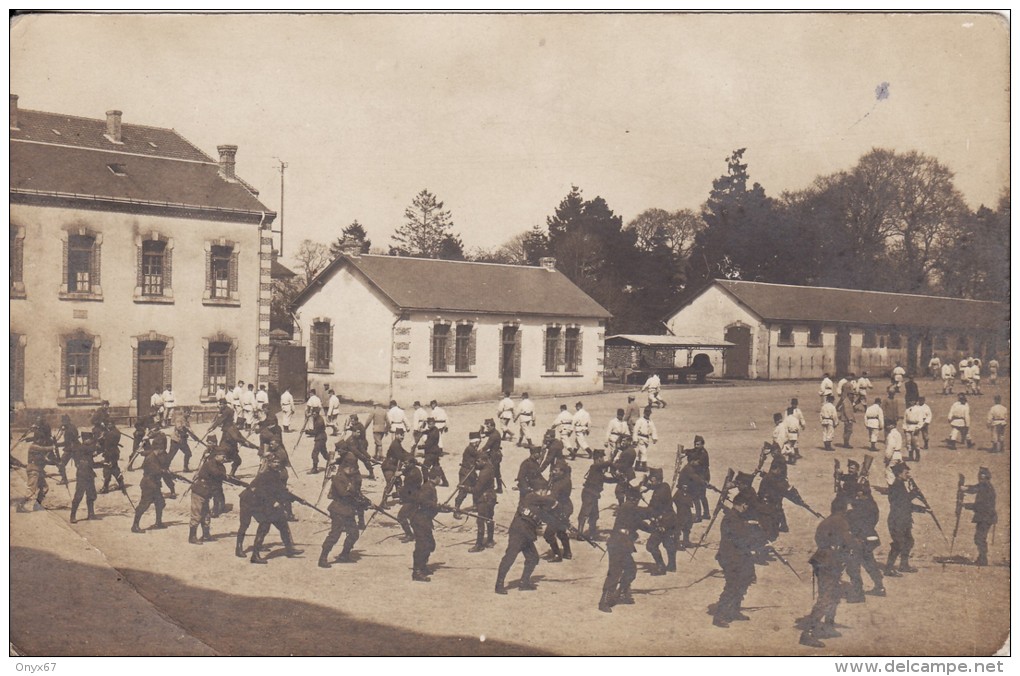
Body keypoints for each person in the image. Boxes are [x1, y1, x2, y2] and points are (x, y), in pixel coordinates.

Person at [798, 498, 856, 648]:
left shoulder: (826, 521)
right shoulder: (840, 521)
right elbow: (848, 540)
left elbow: (819, 539)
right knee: (826, 597)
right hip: (830, 562)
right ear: (842, 509)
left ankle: (826, 627)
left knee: (834, 593)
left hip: (823, 559)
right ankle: (808, 633)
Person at [711, 492, 767, 628]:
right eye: (746, 506)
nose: (747, 509)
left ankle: (734, 610)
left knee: (746, 579)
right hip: (731, 558)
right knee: (732, 585)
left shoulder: (736, 516)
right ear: (743, 505)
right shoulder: (732, 519)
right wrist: (760, 543)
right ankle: (719, 616)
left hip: (740, 556)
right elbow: (741, 538)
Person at [236, 456, 303, 564]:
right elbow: (261, 492)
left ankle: (289, 549)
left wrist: (295, 498)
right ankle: (242, 549)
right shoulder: (264, 475)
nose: (277, 464)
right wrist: (273, 502)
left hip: (261, 502)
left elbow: (280, 490)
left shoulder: (276, 474)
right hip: (249, 501)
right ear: (269, 463)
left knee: (283, 524)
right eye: (274, 462)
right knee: (249, 525)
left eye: (278, 462)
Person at [599, 482, 651, 612]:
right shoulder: (628, 507)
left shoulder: (631, 510)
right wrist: (658, 510)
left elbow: (640, 523)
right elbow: (645, 513)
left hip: (623, 545)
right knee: (615, 572)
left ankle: (622, 593)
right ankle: (604, 601)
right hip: (618, 544)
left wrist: (658, 529)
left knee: (631, 570)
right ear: (634, 499)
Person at [495, 486, 558, 595]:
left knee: (533, 558)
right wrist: (555, 502)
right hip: (518, 533)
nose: (544, 495)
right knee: (509, 558)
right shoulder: (531, 497)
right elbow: (550, 501)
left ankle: (524, 582)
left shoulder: (537, 506)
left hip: (527, 535)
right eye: (545, 492)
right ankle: (499, 584)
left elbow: (548, 517)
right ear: (540, 490)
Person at [319, 456, 369, 568]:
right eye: (352, 469)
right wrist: (360, 502)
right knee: (335, 535)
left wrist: (366, 502)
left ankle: (344, 554)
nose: (354, 471)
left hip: (348, 511)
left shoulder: (351, 478)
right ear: (348, 467)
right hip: (338, 510)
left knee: (354, 533)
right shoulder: (338, 478)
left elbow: (356, 493)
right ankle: (323, 558)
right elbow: (344, 494)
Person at [845, 481, 885, 599]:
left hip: (862, 540)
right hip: (870, 538)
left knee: (853, 565)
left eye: (857, 493)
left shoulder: (862, 507)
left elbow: (854, 518)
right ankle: (879, 586)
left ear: (861, 493)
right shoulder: (870, 503)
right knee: (869, 563)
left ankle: (857, 593)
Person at [884, 463, 926, 576]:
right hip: (897, 520)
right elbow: (904, 503)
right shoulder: (896, 486)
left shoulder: (901, 485)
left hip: (904, 520)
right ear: (899, 474)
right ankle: (888, 569)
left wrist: (924, 509)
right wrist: (914, 493)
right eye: (906, 473)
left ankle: (903, 565)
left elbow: (906, 503)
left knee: (909, 541)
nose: (908, 475)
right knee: (898, 544)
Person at [410, 466, 449, 582]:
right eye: (440, 478)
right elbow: (423, 501)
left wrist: (442, 508)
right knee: (422, 545)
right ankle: (417, 572)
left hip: (425, 520)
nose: (440, 480)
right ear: (436, 477)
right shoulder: (428, 488)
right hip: (419, 520)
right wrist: (437, 506)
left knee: (430, 544)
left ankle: (423, 566)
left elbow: (429, 504)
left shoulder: (430, 487)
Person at [189, 449, 227, 544]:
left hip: (207, 493)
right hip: (199, 491)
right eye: (223, 456)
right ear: (217, 456)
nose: (224, 459)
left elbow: (219, 481)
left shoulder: (220, 466)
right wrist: (225, 476)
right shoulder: (210, 464)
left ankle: (206, 535)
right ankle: (192, 537)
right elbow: (216, 474)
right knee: (196, 514)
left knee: (206, 514)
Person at [644, 467, 678, 575]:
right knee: (668, 543)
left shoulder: (659, 494)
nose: (650, 481)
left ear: (656, 479)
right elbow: (654, 487)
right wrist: (646, 486)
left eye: (651, 479)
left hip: (662, 522)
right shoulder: (665, 486)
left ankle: (661, 566)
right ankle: (672, 565)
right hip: (670, 520)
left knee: (651, 545)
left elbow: (651, 509)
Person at [131, 442, 171, 533]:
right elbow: (156, 470)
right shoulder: (151, 458)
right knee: (144, 505)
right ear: (159, 450)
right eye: (162, 450)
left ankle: (158, 522)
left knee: (160, 503)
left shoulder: (154, 456)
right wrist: (165, 471)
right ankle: (135, 525)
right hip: (148, 485)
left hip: (154, 484)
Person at [576, 449, 616, 541]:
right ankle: (580, 534)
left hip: (593, 495)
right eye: (602, 458)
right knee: (585, 513)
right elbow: (608, 464)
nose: (603, 459)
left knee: (594, 514)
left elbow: (606, 479)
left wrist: (617, 480)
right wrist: (614, 464)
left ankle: (592, 534)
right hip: (588, 494)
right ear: (598, 458)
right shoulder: (594, 467)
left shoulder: (598, 470)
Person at [962, 467, 997, 566]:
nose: (980, 480)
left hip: (985, 517)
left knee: (979, 538)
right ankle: (982, 558)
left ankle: (983, 559)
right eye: (979, 477)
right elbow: (974, 488)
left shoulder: (986, 488)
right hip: (984, 517)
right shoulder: (985, 485)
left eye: (982, 478)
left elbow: (979, 504)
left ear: (987, 478)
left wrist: (965, 505)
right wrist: (966, 488)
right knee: (980, 537)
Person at [543, 460, 573, 562]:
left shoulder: (560, 483)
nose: (553, 472)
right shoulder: (564, 478)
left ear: (562, 471)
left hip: (561, 509)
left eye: (556, 470)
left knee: (548, 534)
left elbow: (552, 497)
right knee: (560, 531)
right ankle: (567, 552)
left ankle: (557, 555)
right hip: (564, 507)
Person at [467, 455, 498, 552]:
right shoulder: (489, 467)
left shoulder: (484, 473)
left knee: (481, 520)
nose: (476, 463)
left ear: (484, 461)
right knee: (489, 518)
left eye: (478, 461)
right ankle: (490, 540)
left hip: (485, 499)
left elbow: (477, 489)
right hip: (491, 497)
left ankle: (479, 545)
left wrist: (465, 488)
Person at [454, 432, 483, 514]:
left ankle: (475, 505)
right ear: (475, 442)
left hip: (471, 472)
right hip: (465, 473)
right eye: (478, 442)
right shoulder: (470, 449)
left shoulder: (472, 448)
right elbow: (478, 455)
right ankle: (456, 509)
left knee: (476, 489)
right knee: (463, 491)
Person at [478, 418, 505, 494]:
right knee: (497, 472)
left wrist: (479, 451)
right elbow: (486, 433)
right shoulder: (495, 432)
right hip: (496, 455)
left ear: (492, 426)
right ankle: (499, 488)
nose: (487, 428)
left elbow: (486, 446)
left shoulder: (494, 435)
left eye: (488, 427)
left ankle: (492, 488)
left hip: (494, 456)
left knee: (492, 472)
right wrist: (482, 430)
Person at [418, 417, 446, 487]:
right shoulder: (434, 429)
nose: (429, 425)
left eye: (431, 424)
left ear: (434, 423)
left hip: (431, 453)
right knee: (437, 467)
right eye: (429, 424)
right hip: (435, 452)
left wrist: (420, 447)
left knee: (424, 467)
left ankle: (425, 483)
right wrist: (422, 431)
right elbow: (427, 431)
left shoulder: (434, 432)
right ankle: (445, 482)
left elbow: (428, 444)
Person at [632, 407, 658, 472]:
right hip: (640, 438)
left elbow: (653, 430)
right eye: (646, 412)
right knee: (644, 452)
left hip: (646, 438)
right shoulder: (640, 420)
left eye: (649, 412)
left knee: (640, 453)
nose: (648, 413)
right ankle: (644, 466)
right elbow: (635, 430)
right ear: (644, 412)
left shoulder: (650, 421)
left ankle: (637, 466)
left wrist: (654, 438)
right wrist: (635, 439)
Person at [168, 407, 193, 472]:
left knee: (188, 453)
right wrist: (186, 428)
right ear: (184, 412)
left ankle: (185, 468)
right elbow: (179, 427)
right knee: (171, 455)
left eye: (189, 413)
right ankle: (165, 468)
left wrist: (194, 437)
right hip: (176, 440)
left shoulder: (186, 420)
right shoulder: (179, 419)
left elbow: (190, 431)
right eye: (187, 413)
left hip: (183, 441)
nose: (188, 414)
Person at [903, 398, 925, 462]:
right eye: (910, 401)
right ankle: (910, 456)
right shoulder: (907, 410)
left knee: (915, 442)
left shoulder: (919, 410)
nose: (911, 402)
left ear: (915, 401)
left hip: (915, 427)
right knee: (908, 442)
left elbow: (921, 420)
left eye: (912, 401)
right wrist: (904, 427)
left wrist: (918, 428)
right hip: (908, 427)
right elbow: (904, 420)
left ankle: (917, 455)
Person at [883, 421, 904, 487]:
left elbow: (891, 447)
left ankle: (891, 487)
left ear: (892, 425)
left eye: (888, 425)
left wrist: (887, 457)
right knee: (897, 472)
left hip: (893, 455)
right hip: (898, 454)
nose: (887, 427)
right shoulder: (898, 433)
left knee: (889, 471)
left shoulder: (891, 434)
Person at [308, 409, 329, 474]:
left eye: (314, 414)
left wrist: (307, 432)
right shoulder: (316, 418)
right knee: (324, 452)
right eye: (312, 414)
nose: (313, 415)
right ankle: (331, 461)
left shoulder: (319, 421)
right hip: (320, 437)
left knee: (315, 453)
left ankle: (315, 469)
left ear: (317, 413)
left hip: (320, 438)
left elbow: (315, 431)